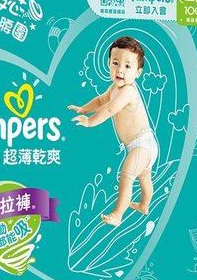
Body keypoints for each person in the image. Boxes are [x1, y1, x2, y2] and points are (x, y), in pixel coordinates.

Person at [68, 36, 158, 226]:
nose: (120, 70)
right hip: (138, 145)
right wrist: (84, 109)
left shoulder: (128, 92)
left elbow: (109, 109)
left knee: (127, 175)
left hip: (143, 144)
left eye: (127, 66)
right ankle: (144, 205)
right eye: (116, 63)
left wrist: (90, 121)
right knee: (144, 177)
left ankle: (117, 214)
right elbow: (101, 101)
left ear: (138, 72)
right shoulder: (114, 88)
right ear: (109, 63)